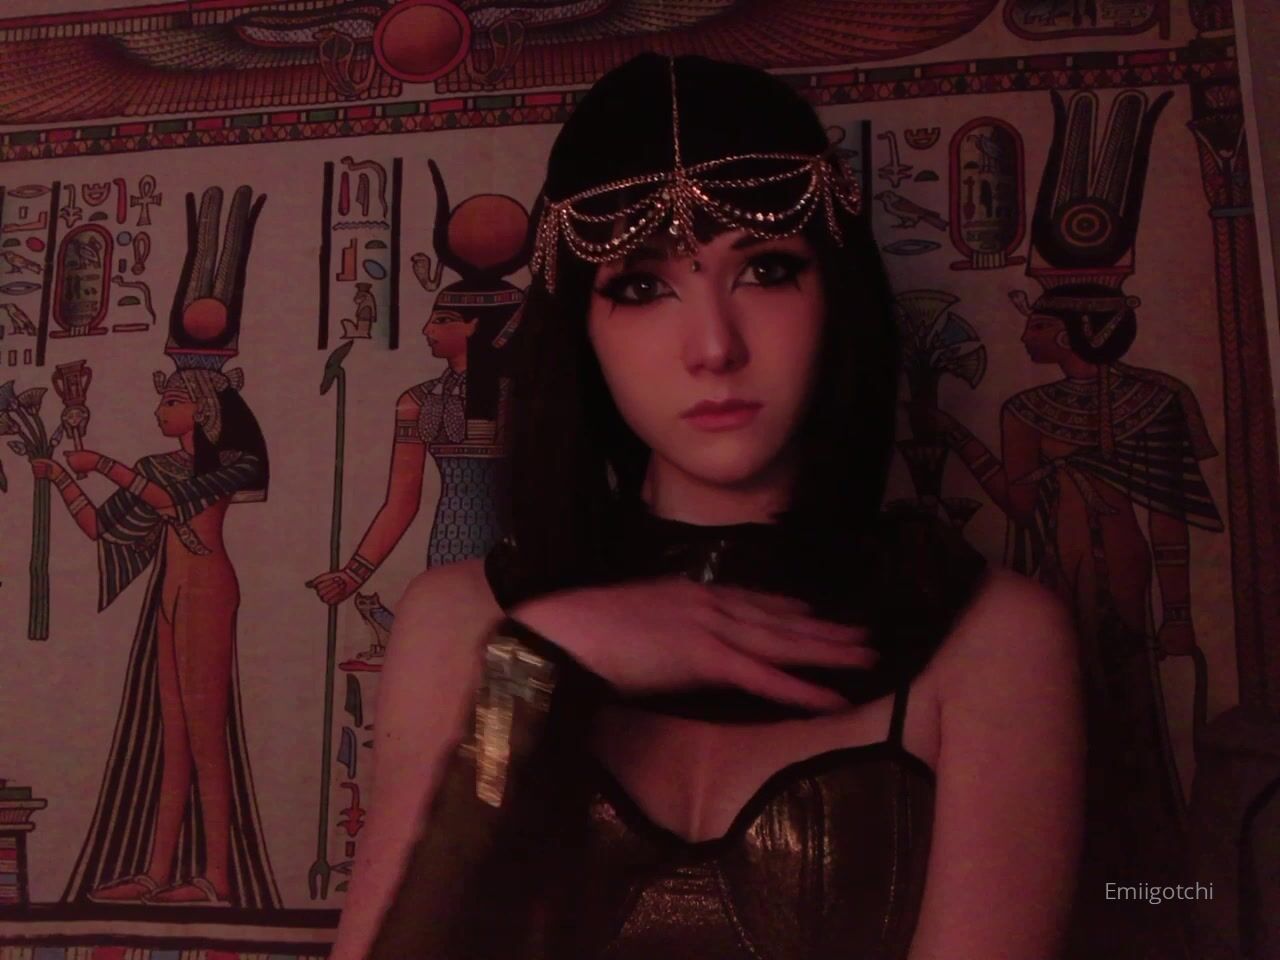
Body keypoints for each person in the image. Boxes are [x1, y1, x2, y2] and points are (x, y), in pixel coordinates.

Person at [328, 53, 1084, 959]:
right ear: (582, 332)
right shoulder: (460, 622)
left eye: (766, 269)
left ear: (836, 295)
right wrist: (532, 674)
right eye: (642, 287)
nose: (715, 347)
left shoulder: (995, 639)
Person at [34, 367, 279, 908]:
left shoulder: (235, 462)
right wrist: (61, 478)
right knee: (174, 741)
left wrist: (102, 464)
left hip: (207, 592)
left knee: (206, 738)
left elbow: (173, 503)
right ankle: (156, 872)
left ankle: (217, 877)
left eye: (170, 401)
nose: (159, 412)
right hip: (170, 594)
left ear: (203, 407)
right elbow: (100, 528)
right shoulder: (153, 466)